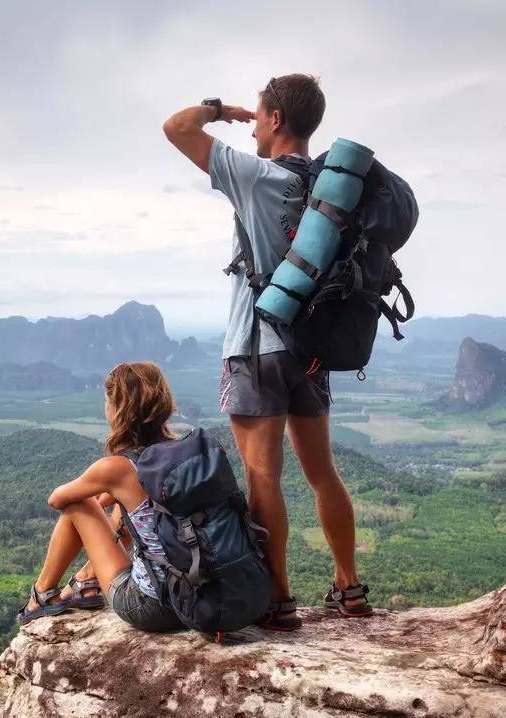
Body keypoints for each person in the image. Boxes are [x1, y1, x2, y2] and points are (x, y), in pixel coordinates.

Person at [162, 74, 372, 630]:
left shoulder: (255, 176)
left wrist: (220, 109)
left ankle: (278, 600)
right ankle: (349, 588)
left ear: (276, 120)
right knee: (323, 473)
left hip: (256, 347)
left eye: (258, 115)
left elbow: (175, 127)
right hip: (312, 350)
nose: (251, 125)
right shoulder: (332, 189)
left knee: (263, 478)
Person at [17, 362, 184, 631]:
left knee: (78, 502)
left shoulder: (117, 468)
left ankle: (42, 594)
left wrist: (100, 499)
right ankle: (87, 579)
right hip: (197, 599)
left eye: (107, 400)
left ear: (118, 408)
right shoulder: (181, 452)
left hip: (153, 607)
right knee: (126, 504)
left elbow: (57, 499)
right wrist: (112, 496)